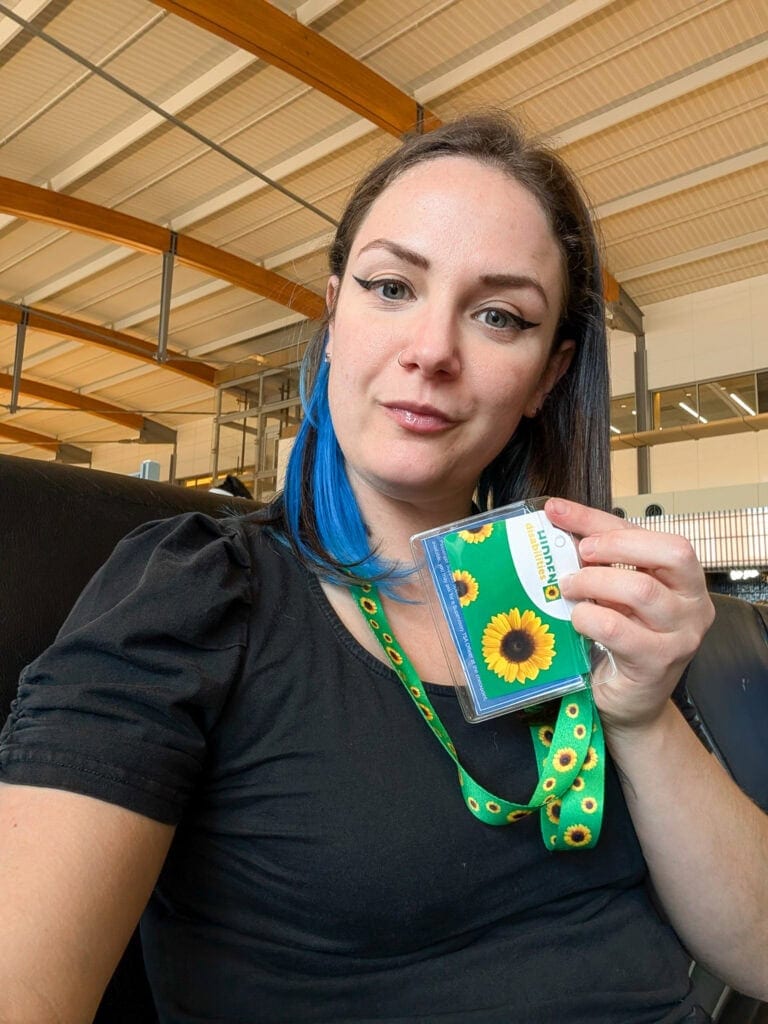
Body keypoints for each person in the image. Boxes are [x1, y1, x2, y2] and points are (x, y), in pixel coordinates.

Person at [0, 112, 766, 1024]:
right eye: (392, 286)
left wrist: (640, 715)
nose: (432, 351)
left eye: (499, 316)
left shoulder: (574, 597)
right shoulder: (199, 591)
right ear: (334, 318)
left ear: (548, 377)